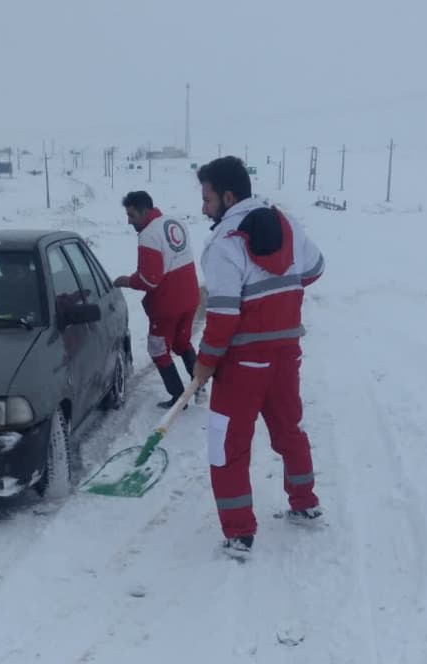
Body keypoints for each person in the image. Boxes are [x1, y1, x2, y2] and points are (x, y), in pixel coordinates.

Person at [184, 156, 326, 555]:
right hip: (285, 353)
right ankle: (305, 503)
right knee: (289, 429)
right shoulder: (285, 222)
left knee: (226, 445)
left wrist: (206, 362)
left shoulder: (223, 244)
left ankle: (239, 533)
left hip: (243, 363)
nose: (203, 208)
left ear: (228, 196)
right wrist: (282, 285)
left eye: (207, 198)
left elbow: (224, 316)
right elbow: (314, 269)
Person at [112, 191, 202, 408]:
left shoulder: (148, 235)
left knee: (158, 349)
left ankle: (178, 397)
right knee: (181, 341)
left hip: (167, 304)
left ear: (144, 211)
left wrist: (126, 281)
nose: (129, 221)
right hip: (190, 296)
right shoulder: (174, 222)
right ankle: (199, 382)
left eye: (132, 215)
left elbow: (149, 280)